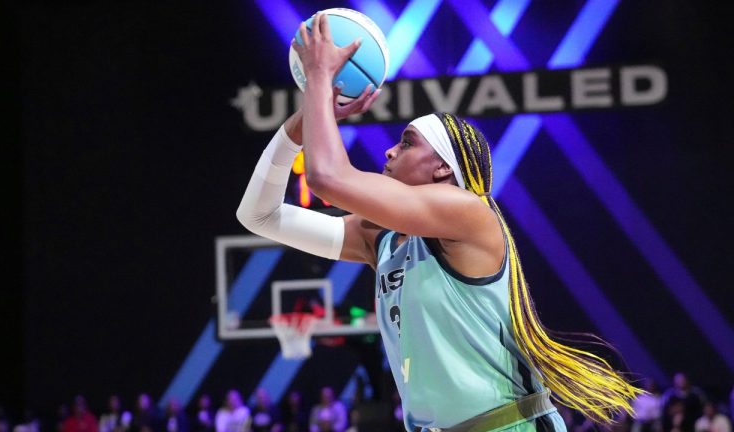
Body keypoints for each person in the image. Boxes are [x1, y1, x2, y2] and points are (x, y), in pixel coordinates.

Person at [237, 12, 642, 432]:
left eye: (407, 143)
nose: (390, 152)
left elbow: (327, 178)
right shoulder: (382, 240)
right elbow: (259, 215)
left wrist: (320, 81)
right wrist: (300, 124)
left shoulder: (468, 213)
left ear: (442, 170)